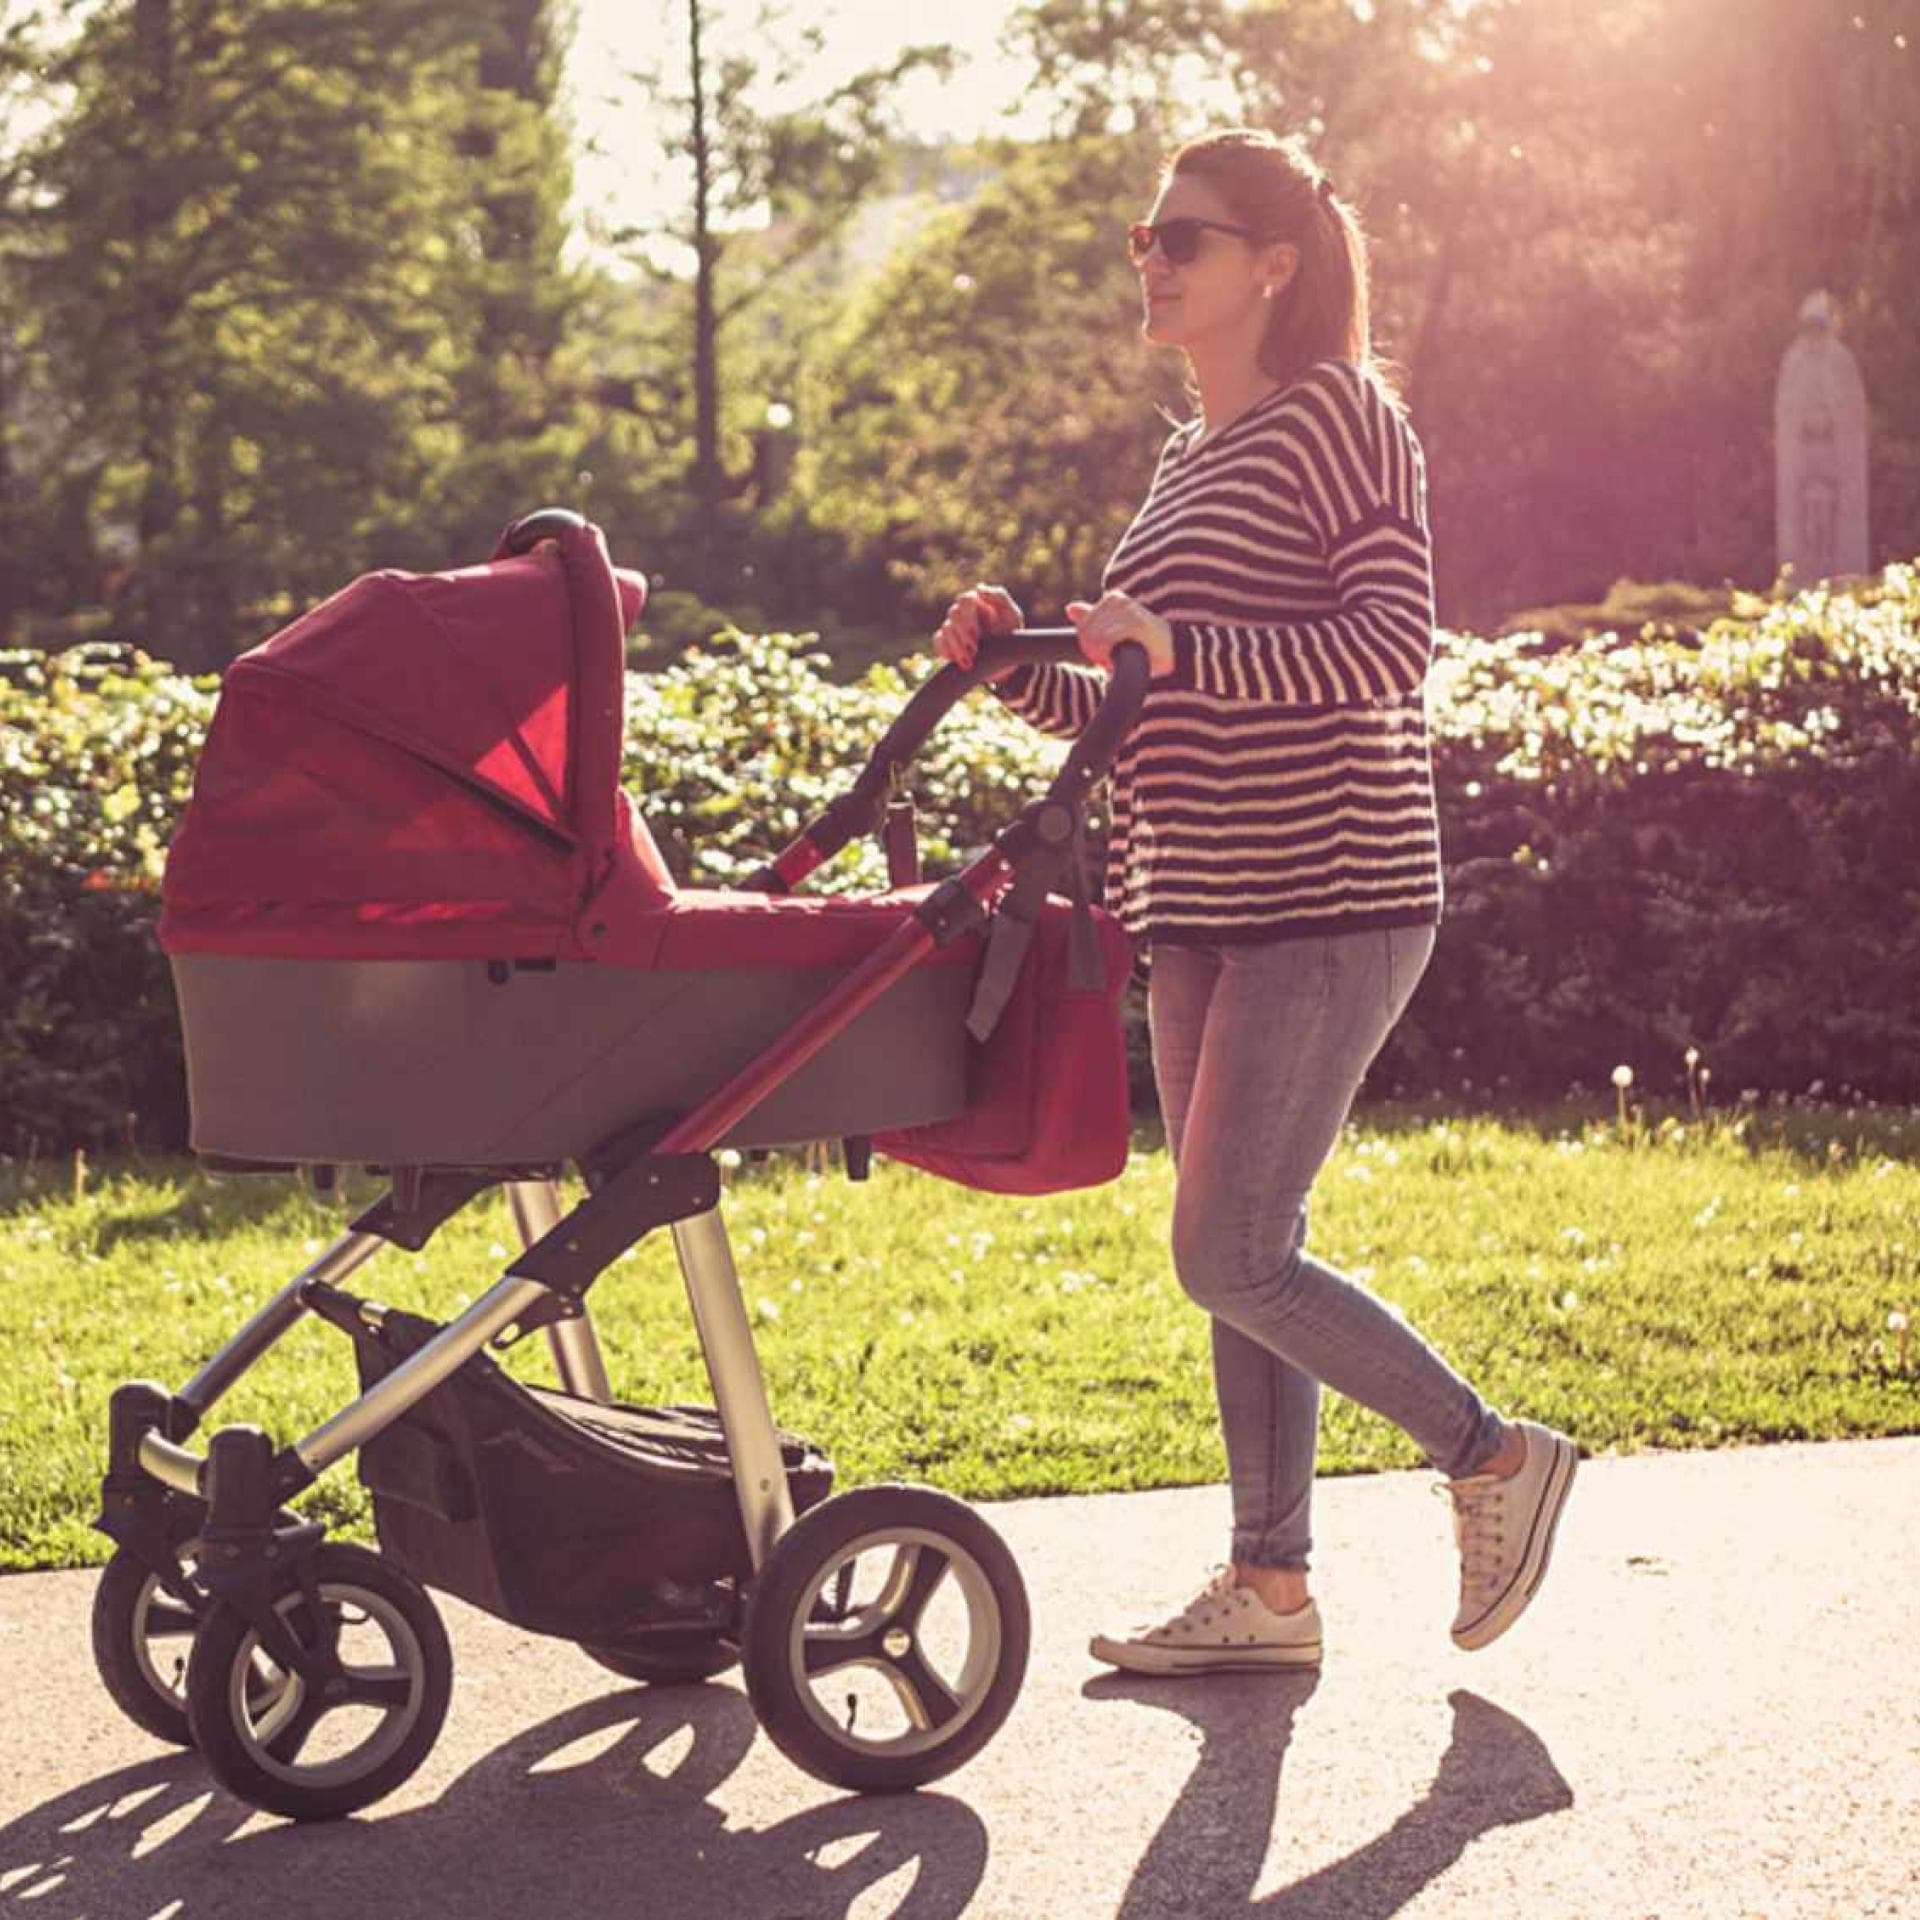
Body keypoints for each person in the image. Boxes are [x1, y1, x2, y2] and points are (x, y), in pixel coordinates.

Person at [933, 128, 1576, 1674]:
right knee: (1247, 1243)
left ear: (1274, 264)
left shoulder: (1344, 417)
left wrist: (1177, 647)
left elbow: (1386, 651)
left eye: (1185, 238)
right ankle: (1270, 1590)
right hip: (1205, 899)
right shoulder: (1188, 458)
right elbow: (1143, 703)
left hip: (1336, 890)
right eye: (1143, 238)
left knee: (1227, 1251)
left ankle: (1493, 1456)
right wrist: (1014, 668)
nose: (1151, 259)